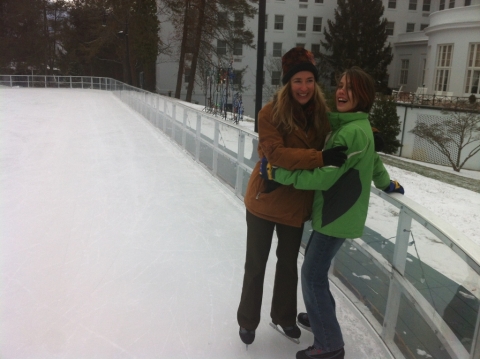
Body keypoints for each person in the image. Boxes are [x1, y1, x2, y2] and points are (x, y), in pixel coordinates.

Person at [260, 66, 405, 359]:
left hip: (336, 216)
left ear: (362, 96)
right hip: (336, 213)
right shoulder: (354, 127)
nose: (341, 91)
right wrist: (386, 183)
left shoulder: (350, 133)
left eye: (349, 89)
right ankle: (320, 320)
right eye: (339, 85)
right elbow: (374, 162)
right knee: (316, 274)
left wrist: (278, 174)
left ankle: (330, 345)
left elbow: (322, 176)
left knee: (311, 276)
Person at [237, 47, 348, 346]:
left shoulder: (322, 115)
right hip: (265, 199)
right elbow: (276, 154)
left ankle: (284, 316)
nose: (303, 87)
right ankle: (247, 320)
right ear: (287, 83)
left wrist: (367, 130)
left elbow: (346, 126)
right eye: (297, 80)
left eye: (309, 81)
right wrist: (320, 158)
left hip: (296, 204)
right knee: (256, 263)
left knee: (287, 264)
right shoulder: (269, 113)